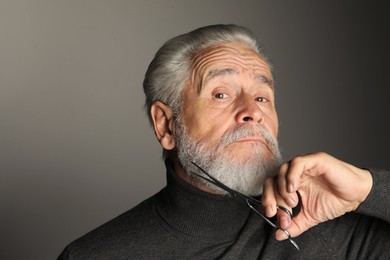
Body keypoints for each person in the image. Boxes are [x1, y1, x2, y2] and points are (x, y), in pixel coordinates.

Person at [58, 24, 390, 259]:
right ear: (166, 124)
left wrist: (368, 189)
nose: (252, 112)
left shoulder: (340, 232)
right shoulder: (93, 255)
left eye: (262, 97)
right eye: (221, 94)